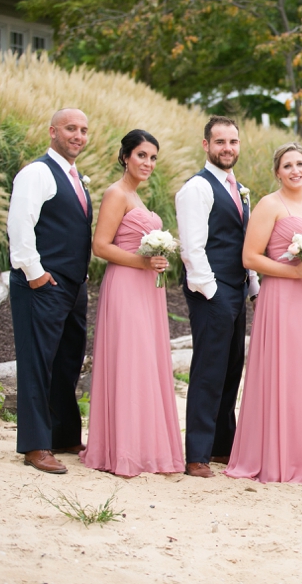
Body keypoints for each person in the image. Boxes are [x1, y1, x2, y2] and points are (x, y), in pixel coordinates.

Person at [225, 143, 302, 485]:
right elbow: (250, 258)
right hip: (281, 298)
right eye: (287, 165)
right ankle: (277, 454)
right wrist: (292, 273)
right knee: (283, 369)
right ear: (277, 172)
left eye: (300, 163)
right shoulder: (269, 205)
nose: (295, 170)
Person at [80, 130, 185, 477]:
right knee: (129, 360)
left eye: (153, 157)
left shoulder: (137, 197)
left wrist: (157, 258)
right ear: (125, 156)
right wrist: (142, 262)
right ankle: (122, 449)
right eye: (142, 155)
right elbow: (101, 246)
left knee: (145, 362)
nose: (148, 163)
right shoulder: (116, 193)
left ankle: (143, 445)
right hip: (125, 287)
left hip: (147, 289)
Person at [8, 108, 92, 474]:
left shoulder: (75, 177)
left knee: (67, 361)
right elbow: (20, 223)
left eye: (83, 130)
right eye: (70, 128)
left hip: (72, 286)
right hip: (42, 284)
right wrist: (35, 273)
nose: (77, 135)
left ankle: (63, 434)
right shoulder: (37, 172)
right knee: (37, 363)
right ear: (52, 131)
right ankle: (35, 446)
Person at [175, 116, 255, 478]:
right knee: (209, 372)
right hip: (213, 292)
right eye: (220, 142)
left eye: (233, 142)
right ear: (206, 145)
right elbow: (192, 248)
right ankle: (197, 454)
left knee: (231, 369)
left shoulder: (238, 188)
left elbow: (240, 241)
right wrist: (213, 292)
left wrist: (249, 286)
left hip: (236, 290)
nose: (228, 148)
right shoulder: (197, 188)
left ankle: (223, 445)